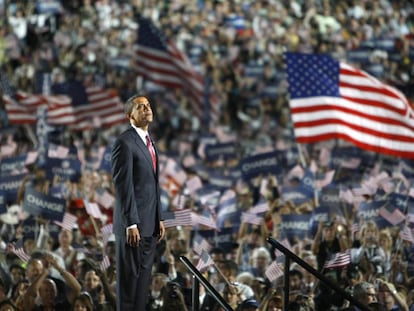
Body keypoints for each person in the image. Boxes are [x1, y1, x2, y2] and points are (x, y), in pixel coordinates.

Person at [111, 95, 165, 311]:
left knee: (142, 287)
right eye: (140, 107)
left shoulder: (150, 142)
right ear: (129, 116)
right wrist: (131, 223)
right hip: (132, 227)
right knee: (129, 288)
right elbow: (124, 187)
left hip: (150, 226)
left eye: (148, 106)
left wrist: (158, 217)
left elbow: (152, 185)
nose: (146, 109)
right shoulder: (124, 142)